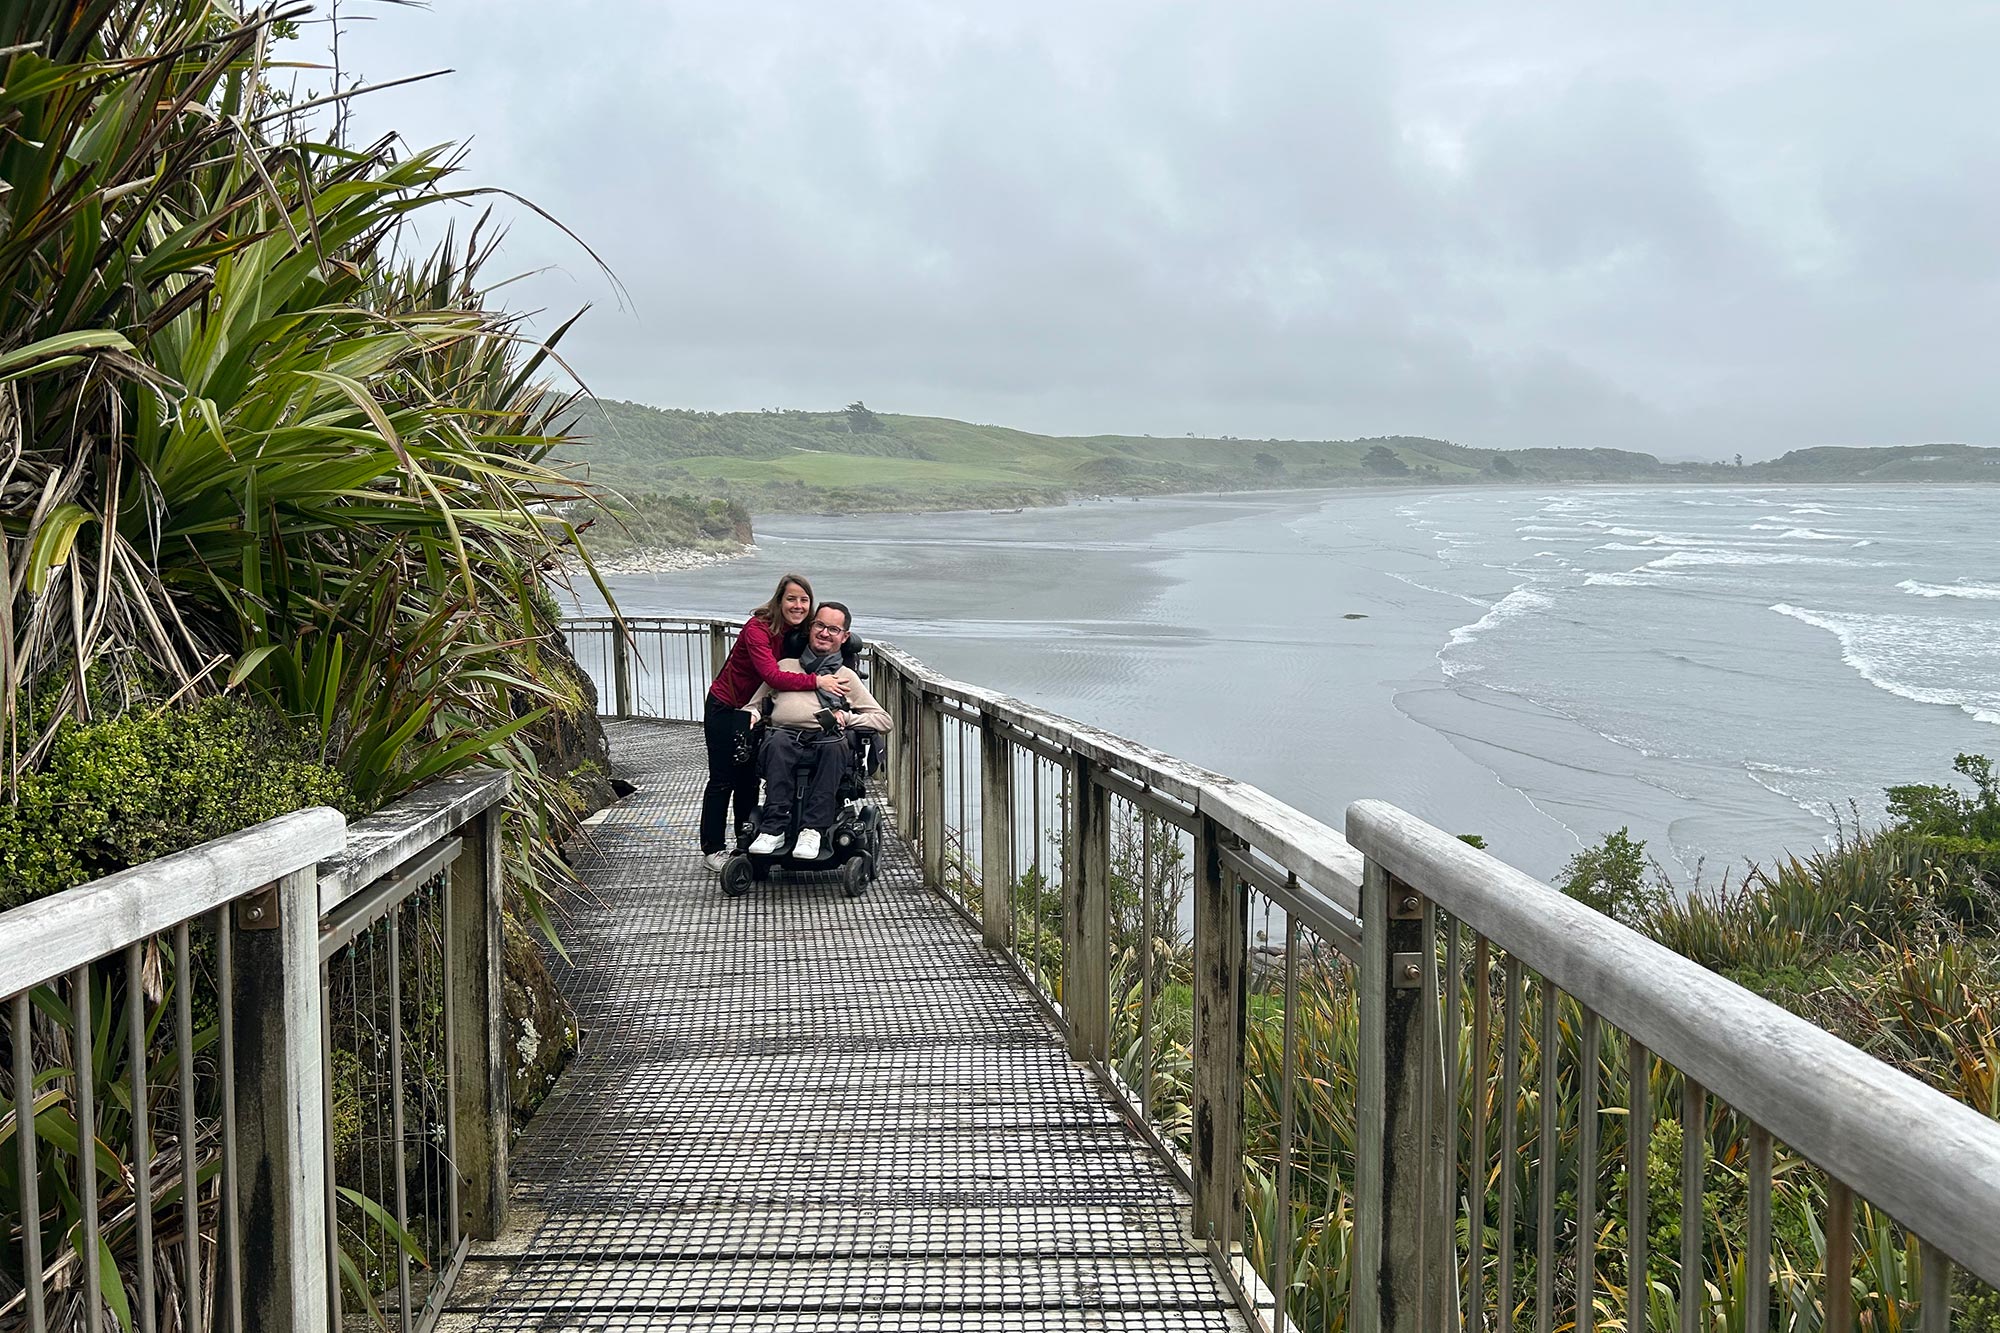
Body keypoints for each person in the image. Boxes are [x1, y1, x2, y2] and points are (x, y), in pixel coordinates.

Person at [700, 573, 851, 871]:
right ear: (779, 600)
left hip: (760, 713)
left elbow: (830, 649)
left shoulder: (798, 634)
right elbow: (773, 675)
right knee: (723, 779)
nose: (797, 605)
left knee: (749, 780)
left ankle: (746, 843)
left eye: (804, 600)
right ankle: (713, 848)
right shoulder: (758, 629)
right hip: (728, 706)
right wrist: (818, 681)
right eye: (791, 599)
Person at [742, 601, 889, 860]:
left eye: (833, 629)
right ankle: (773, 828)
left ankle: (813, 829)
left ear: (844, 637)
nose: (824, 633)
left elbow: (883, 720)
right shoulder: (785, 666)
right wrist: (753, 714)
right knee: (776, 743)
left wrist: (846, 717)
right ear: (810, 629)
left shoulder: (847, 676)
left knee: (835, 745)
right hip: (783, 737)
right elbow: (753, 706)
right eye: (819, 625)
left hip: (826, 742)